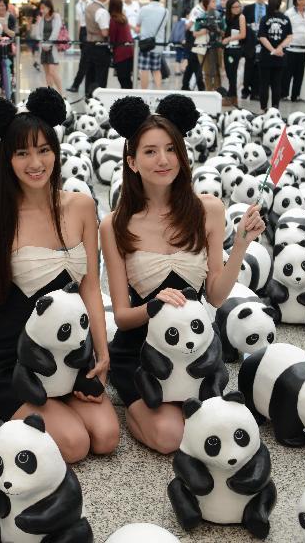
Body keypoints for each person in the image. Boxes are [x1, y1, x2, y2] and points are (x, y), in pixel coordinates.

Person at [0, 88, 120, 464]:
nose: (35, 162)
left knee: (106, 436)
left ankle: (57, 400)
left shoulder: (81, 206)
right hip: (8, 358)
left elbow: (89, 290)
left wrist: (101, 354)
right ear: (8, 160)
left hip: (66, 353)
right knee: (75, 445)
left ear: (56, 151)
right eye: (22, 153)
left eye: (43, 150)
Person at [101, 94, 265, 454]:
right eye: (150, 151)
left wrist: (240, 244)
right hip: (141, 354)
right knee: (171, 436)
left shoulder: (208, 209)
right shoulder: (115, 225)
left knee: (216, 426)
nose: (163, 160)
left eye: (171, 149)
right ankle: (134, 403)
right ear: (131, 161)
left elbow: (217, 296)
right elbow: (124, 318)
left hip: (195, 349)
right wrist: (154, 306)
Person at [258, 0, 293, 112]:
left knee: (264, 84)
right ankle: (275, 109)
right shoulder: (285, 19)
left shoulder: (265, 18)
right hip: (280, 56)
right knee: (276, 84)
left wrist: (272, 50)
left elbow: (262, 37)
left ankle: (263, 109)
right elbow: (289, 36)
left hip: (266, 57)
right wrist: (279, 48)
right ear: (280, 4)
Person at [83, 0, 111, 99]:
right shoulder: (102, 11)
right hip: (100, 47)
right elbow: (105, 32)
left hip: (88, 44)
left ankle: (88, 98)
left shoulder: (89, 6)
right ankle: (98, 99)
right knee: (100, 75)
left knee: (90, 74)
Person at [137, 0, 168, 90]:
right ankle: (158, 93)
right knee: (156, 69)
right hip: (158, 44)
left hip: (145, 44)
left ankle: (144, 94)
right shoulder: (165, 11)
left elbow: (138, 25)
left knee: (144, 69)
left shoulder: (144, 9)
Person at [193, 0, 224, 92]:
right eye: (213, 1)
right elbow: (195, 33)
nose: (215, 3)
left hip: (217, 46)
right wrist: (205, 30)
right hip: (204, 46)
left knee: (218, 70)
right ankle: (208, 91)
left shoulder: (219, 16)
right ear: (207, 3)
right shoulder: (201, 16)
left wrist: (217, 29)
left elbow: (224, 32)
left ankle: (218, 91)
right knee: (206, 71)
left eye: (216, 1)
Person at [32, 0, 64, 94]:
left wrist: (48, 44)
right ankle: (51, 94)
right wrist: (43, 44)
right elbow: (37, 34)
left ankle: (62, 94)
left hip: (52, 47)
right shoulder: (41, 18)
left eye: (44, 8)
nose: (42, 10)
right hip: (43, 48)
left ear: (49, 7)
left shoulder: (56, 17)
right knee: (47, 73)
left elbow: (56, 32)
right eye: (41, 8)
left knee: (53, 72)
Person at [242, 0, 268, 99]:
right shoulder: (248, 9)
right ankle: (245, 89)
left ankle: (256, 92)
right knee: (249, 67)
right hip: (250, 43)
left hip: (264, 43)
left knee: (259, 68)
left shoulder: (269, 9)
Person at [283, 0, 305, 102]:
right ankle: (283, 94)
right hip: (291, 48)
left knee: (299, 74)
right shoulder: (289, 13)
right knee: (287, 74)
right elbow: (285, 30)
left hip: (302, 49)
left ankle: (296, 95)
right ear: (298, 0)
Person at [67, 0, 92, 93]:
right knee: (85, 59)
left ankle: (77, 85)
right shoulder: (78, 5)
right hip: (83, 31)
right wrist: (78, 38)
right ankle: (80, 85)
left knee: (85, 60)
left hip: (91, 30)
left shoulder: (91, 2)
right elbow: (79, 22)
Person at [221, 0, 246, 106]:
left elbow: (243, 34)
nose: (237, 9)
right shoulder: (227, 18)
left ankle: (232, 97)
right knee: (228, 72)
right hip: (227, 48)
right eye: (234, 7)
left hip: (236, 49)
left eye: (238, 7)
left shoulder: (241, 17)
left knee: (232, 73)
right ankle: (232, 96)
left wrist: (229, 39)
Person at [107, 0, 134, 90]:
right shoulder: (123, 17)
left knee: (122, 79)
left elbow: (113, 39)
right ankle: (131, 98)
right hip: (129, 52)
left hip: (120, 54)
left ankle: (128, 100)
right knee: (127, 79)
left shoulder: (113, 20)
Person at [181, 0, 205, 91]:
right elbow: (189, 25)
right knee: (195, 62)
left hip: (194, 37)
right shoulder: (197, 10)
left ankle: (185, 85)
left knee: (191, 63)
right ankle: (200, 85)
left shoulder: (201, 10)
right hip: (192, 37)